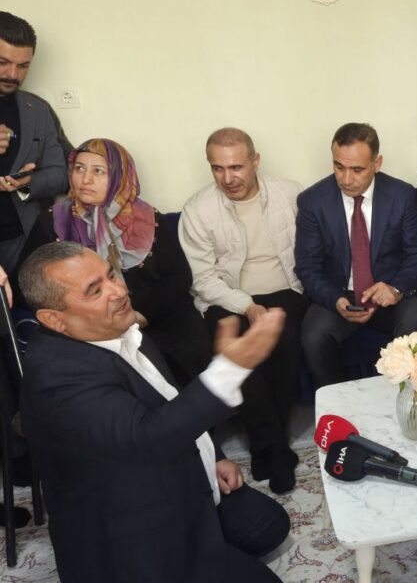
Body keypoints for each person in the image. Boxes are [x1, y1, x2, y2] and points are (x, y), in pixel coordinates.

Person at [18, 241, 290, 583]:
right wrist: (230, 369)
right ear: (54, 319)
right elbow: (148, 438)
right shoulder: (57, 377)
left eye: (111, 275)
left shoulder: (118, 327)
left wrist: (214, 457)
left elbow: (166, 399)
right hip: (135, 531)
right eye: (95, 290)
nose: (119, 291)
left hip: (175, 480)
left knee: (270, 526)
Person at [20, 138, 212, 383]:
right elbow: (27, 284)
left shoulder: (147, 218)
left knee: (185, 352)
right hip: (91, 331)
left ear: (120, 177)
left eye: (98, 171)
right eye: (79, 169)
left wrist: (139, 316)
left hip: (154, 320)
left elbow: (178, 278)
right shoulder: (53, 222)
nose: (85, 179)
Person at [180, 127, 305, 493]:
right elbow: (202, 279)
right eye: (217, 168)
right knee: (237, 350)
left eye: (236, 167)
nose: (228, 178)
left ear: (255, 161)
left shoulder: (290, 194)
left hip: (286, 289)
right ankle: (276, 448)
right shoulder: (197, 210)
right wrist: (247, 305)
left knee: (284, 341)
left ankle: (267, 445)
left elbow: (311, 251)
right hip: (227, 296)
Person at [296, 122, 417, 385]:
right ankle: (337, 400)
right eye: (339, 167)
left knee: (415, 320)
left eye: (357, 169)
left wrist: (396, 289)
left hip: (389, 290)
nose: (346, 179)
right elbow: (307, 266)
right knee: (313, 337)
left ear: (377, 163)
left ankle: (407, 397)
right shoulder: (313, 201)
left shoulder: (402, 195)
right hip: (339, 293)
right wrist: (334, 299)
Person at [0, 11, 68, 272]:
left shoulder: (38, 110)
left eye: (23, 66)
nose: (13, 74)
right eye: (3, 62)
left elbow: (61, 174)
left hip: (25, 241)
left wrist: (27, 183)